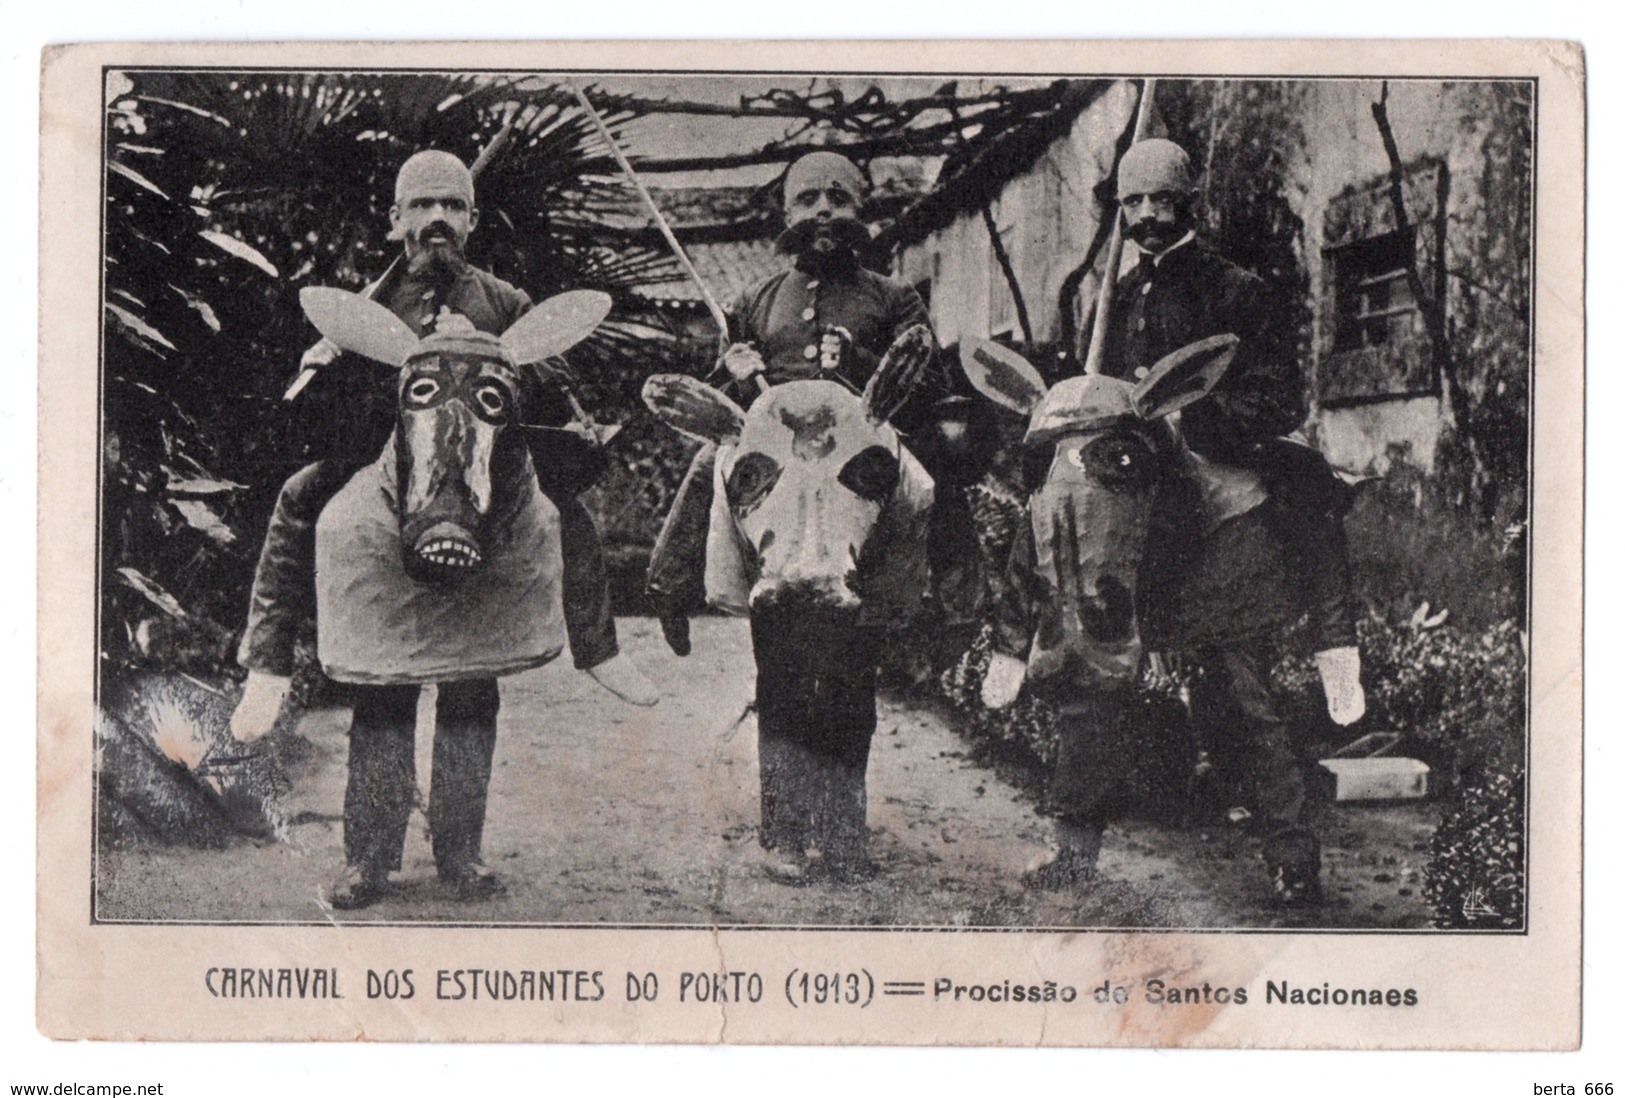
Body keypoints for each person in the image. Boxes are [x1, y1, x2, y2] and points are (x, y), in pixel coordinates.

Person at [231, 150, 656, 908]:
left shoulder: (504, 299)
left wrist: (497, 356)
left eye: (451, 207)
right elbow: (312, 420)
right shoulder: (368, 306)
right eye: (420, 206)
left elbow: (554, 392)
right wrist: (328, 362)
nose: (436, 221)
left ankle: (464, 849)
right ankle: (360, 843)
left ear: (471, 221)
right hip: (386, 491)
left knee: (472, 685)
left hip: (483, 501)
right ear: (396, 220)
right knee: (379, 683)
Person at [999, 138, 1361, 905]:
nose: (1149, 215)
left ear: (1189, 201)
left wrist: (1178, 420)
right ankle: (1073, 848)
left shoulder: (1237, 291)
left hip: (1217, 516)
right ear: (1120, 209)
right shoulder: (1114, 297)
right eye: (1134, 203)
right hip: (1125, 519)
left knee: (1231, 691)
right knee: (1092, 676)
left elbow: (1275, 399)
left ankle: (1289, 856)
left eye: (1163, 200)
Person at [645, 150, 977, 659]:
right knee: (708, 462)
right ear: (786, 215)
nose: (823, 210)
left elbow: (930, 386)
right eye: (807, 199)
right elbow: (724, 409)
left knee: (932, 478)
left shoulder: (892, 296)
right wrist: (730, 371)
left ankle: (960, 608)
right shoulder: (755, 300)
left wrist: (860, 360)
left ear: (860, 211)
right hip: (780, 458)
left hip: (857, 453)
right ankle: (669, 585)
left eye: (838, 198)